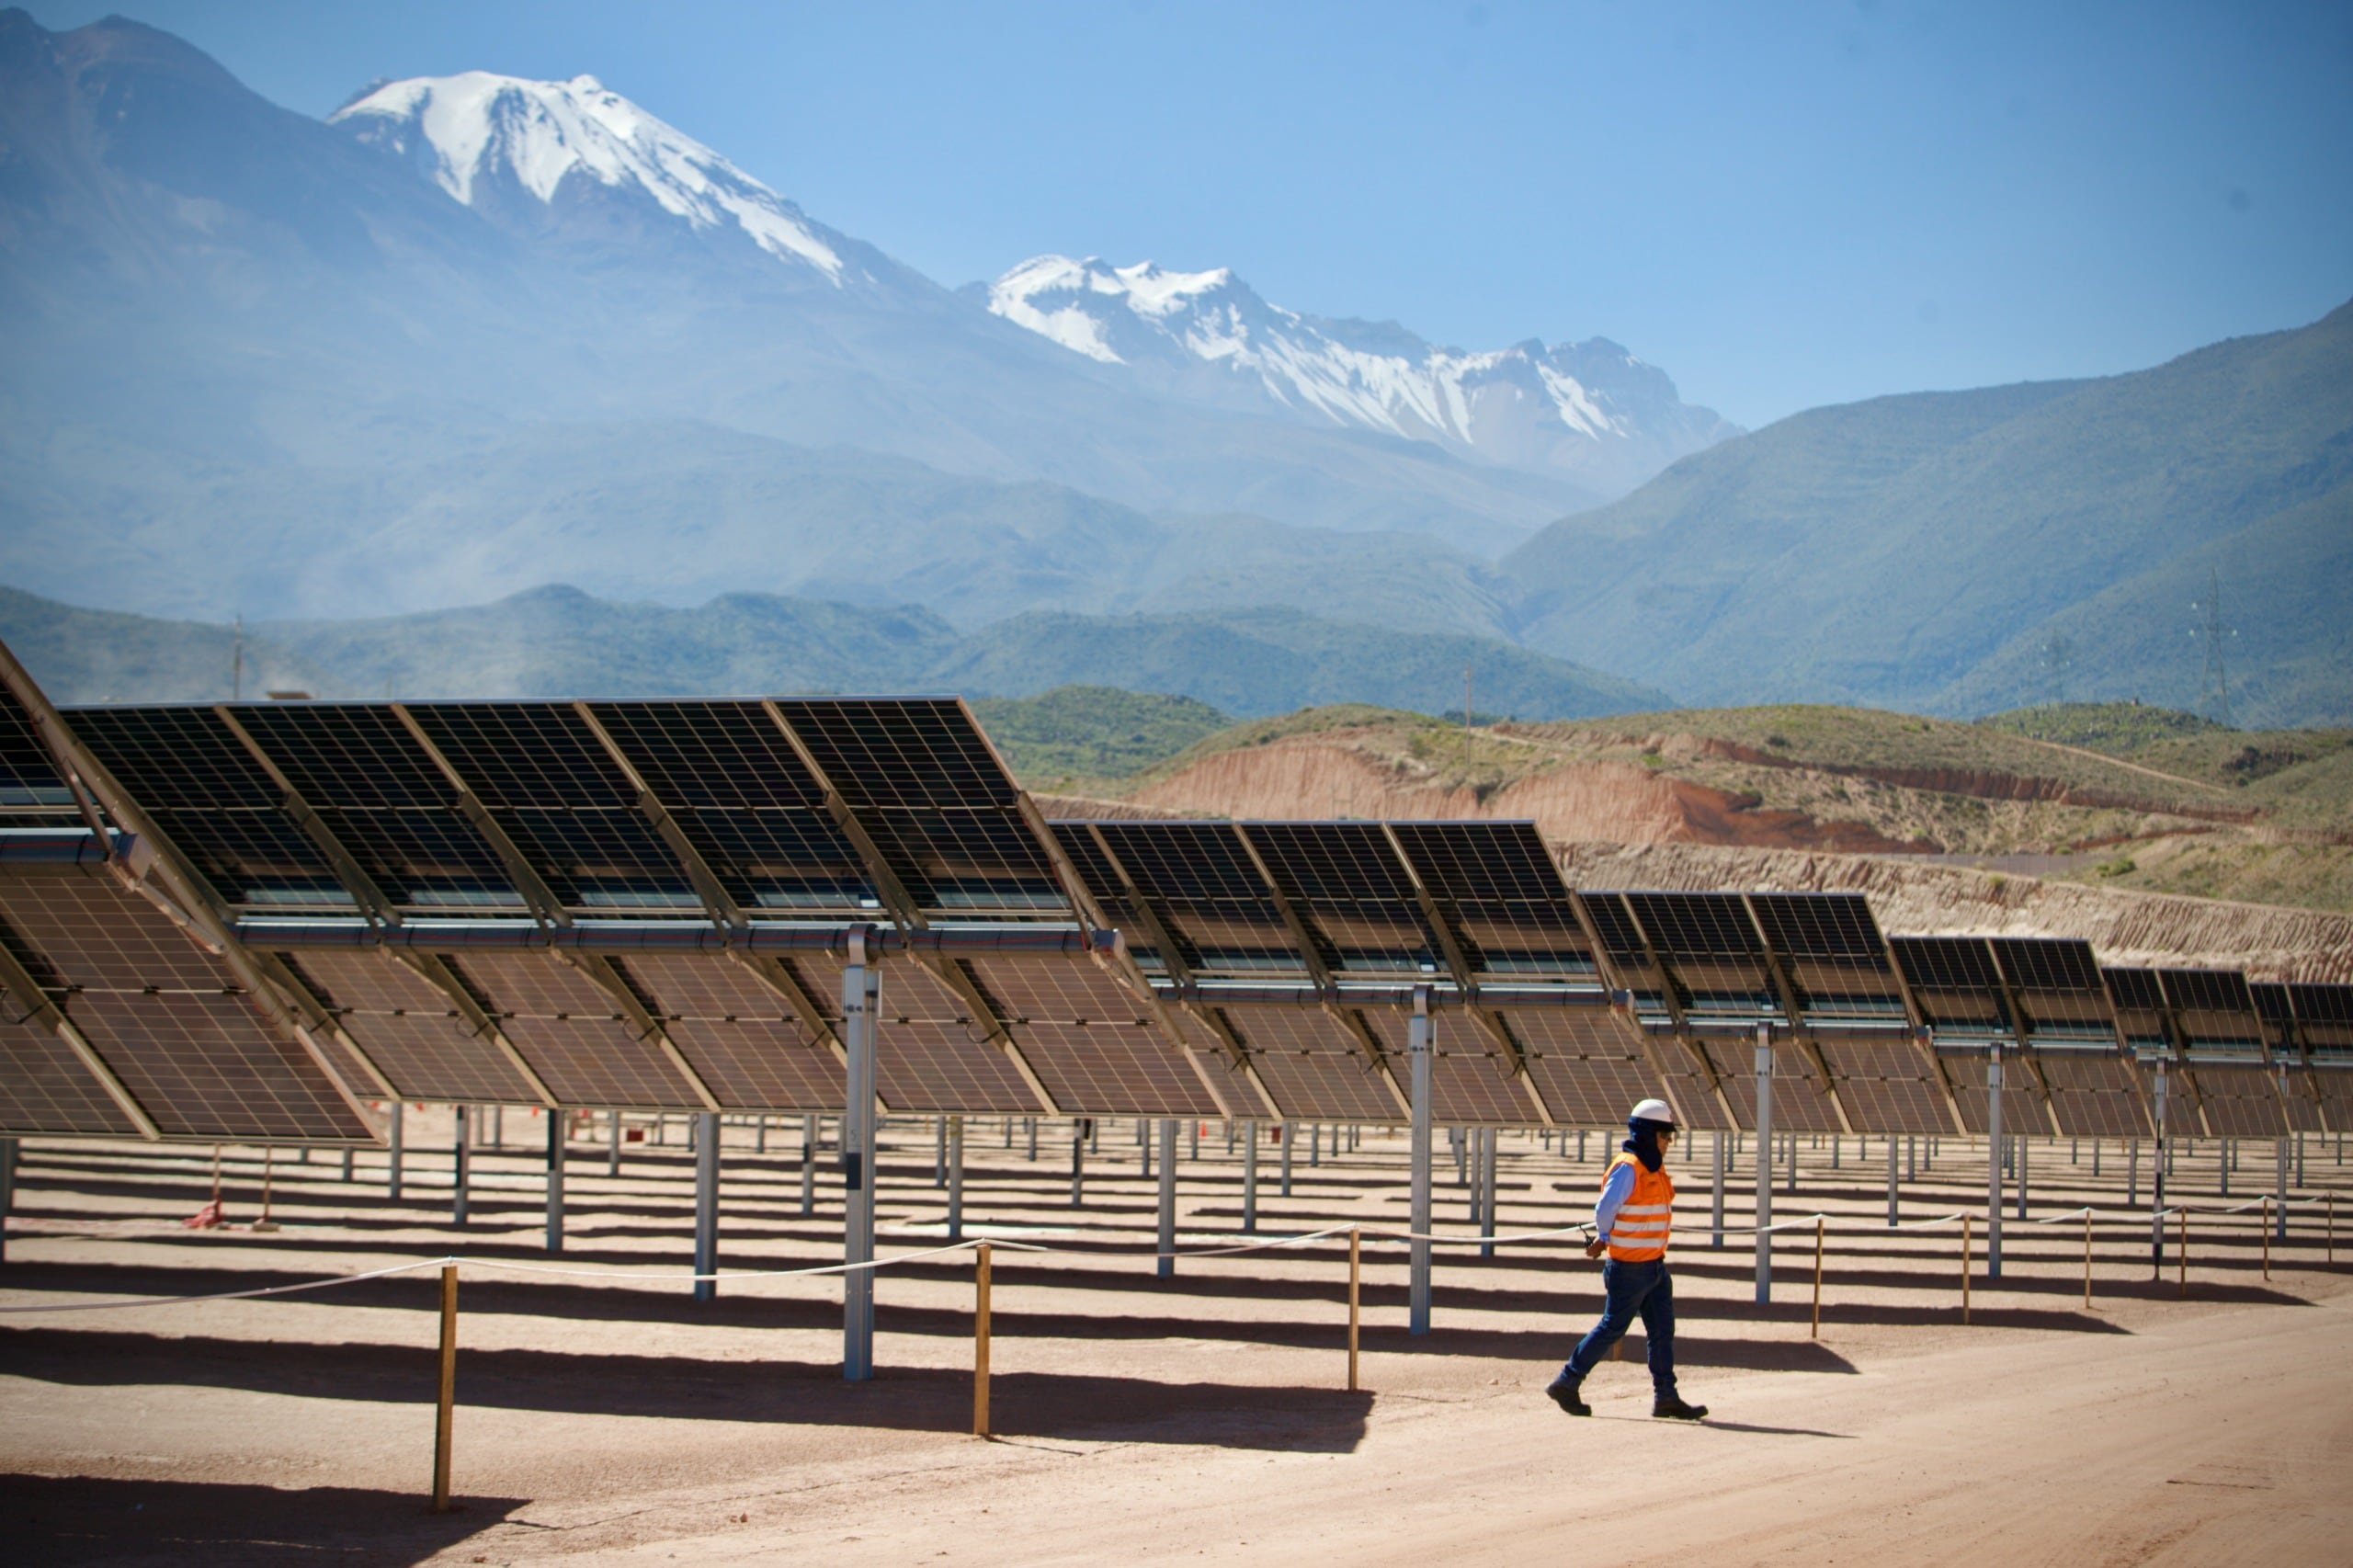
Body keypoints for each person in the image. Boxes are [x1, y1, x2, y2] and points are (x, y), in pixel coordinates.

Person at [1545, 1098, 1709, 1420]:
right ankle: (1567, 1380)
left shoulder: (1653, 1167)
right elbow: (1604, 1210)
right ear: (1649, 1135)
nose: (1669, 1143)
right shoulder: (1628, 1167)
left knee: (1662, 1330)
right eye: (1665, 1136)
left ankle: (1666, 1396)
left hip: (1654, 1266)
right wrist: (1605, 1238)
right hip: (1630, 1268)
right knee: (1612, 1328)